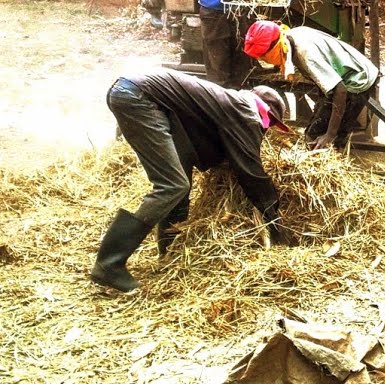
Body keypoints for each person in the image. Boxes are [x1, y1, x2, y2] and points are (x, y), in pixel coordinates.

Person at [90, 70, 295, 293]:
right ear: (269, 115)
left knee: (179, 182)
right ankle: (109, 264)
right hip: (140, 98)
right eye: (271, 125)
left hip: (134, 92)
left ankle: (169, 253)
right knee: (172, 185)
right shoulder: (246, 111)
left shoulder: (226, 102)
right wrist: (273, 218)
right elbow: (251, 172)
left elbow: (200, 150)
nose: (266, 130)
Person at [243, 20, 380, 149]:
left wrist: (330, 134)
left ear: (274, 49)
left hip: (356, 80)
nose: (262, 60)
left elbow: (341, 90)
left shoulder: (305, 54)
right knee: (313, 131)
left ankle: (335, 148)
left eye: (263, 56)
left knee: (317, 138)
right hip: (343, 75)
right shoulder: (291, 35)